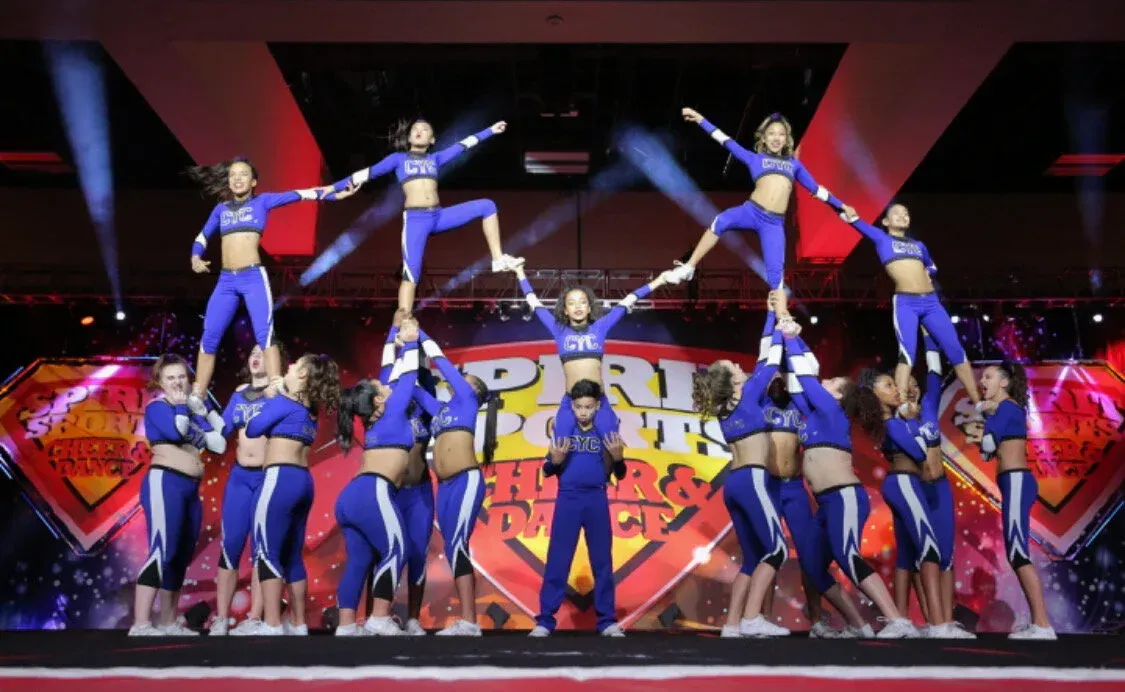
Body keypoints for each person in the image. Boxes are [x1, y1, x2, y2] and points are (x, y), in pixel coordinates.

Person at [780, 324, 918, 638]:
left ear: (840, 396)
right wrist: (794, 338)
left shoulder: (832, 410)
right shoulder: (813, 412)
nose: (824, 381)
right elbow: (800, 378)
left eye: (831, 382)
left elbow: (805, 378)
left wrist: (791, 337)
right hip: (825, 505)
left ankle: (898, 620)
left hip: (844, 496)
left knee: (846, 555)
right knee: (813, 567)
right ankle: (859, 626)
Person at [186, 158, 355, 406]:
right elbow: (202, 236)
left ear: (253, 182)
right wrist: (195, 256)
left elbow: (301, 194)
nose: (237, 178)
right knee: (209, 336)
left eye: (243, 174)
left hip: (252, 277)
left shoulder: (262, 202)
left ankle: (276, 385)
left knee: (265, 334)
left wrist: (333, 192)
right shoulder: (221, 209)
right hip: (226, 281)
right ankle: (197, 396)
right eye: (233, 175)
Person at [667, 109, 856, 326]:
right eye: (772, 134)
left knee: (776, 274)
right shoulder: (755, 158)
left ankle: (784, 316)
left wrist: (842, 206)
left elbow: (817, 190)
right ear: (764, 139)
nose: (776, 138)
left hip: (774, 223)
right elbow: (725, 140)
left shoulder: (794, 165)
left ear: (787, 139)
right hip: (751, 210)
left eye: (781, 134)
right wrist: (701, 120)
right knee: (721, 221)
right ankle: (688, 267)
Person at [324, 119, 524, 315]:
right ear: (410, 137)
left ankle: (497, 259)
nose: (419, 131)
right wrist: (332, 189)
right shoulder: (398, 159)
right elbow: (364, 174)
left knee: (487, 206)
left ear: (432, 140)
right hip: (416, 221)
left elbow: (463, 145)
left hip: (439, 215)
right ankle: (401, 328)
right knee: (411, 277)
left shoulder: (435, 159)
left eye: (425, 129)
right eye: (415, 130)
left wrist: (490, 130)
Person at [692, 311, 791, 637]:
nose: (740, 366)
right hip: (752, 479)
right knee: (777, 551)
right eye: (734, 367)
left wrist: (770, 315)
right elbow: (771, 357)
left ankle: (731, 624)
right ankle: (751, 618)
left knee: (752, 559)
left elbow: (763, 356)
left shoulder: (727, 408)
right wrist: (779, 322)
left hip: (734, 483)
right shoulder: (747, 396)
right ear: (733, 381)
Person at [840, 204, 982, 418]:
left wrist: (928, 270)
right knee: (907, 354)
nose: (903, 216)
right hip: (906, 303)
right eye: (896, 213)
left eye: (906, 213)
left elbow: (932, 266)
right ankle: (902, 405)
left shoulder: (919, 245)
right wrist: (840, 207)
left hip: (932, 303)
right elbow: (854, 220)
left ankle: (979, 405)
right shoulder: (882, 238)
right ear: (886, 222)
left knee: (957, 352)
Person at [763, 373, 873, 638]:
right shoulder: (759, 403)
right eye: (773, 377)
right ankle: (760, 619)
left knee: (809, 555)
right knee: (766, 553)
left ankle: (817, 621)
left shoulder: (804, 408)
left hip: (794, 487)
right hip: (768, 486)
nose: (778, 381)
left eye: (783, 376)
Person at [409, 326, 502, 636]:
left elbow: (446, 368)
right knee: (451, 549)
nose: (462, 380)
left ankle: (470, 621)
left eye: (468, 379)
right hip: (444, 487)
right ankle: (467, 620)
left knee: (458, 546)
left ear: (474, 390)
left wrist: (420, 333)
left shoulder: (466, 400)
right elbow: (415, 391)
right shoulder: (442, 411)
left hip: (464, 481)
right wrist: (407, 351)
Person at [333, 320, 422, 636]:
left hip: (351, 498)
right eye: (382, 387)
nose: (388, 385)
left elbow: (390, 374)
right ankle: (379, 617)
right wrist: (410, 342)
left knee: (359, 561)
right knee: (397, 550)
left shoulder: (376, 419)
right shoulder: (394, 410)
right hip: (374, 492)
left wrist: (392, 332)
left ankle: (345, 625)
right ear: (380, 401)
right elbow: (408, 377)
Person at [512, 264, 670, 438]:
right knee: (559, 447)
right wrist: (520, 271)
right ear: (565, 310)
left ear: (589, 308)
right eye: (571, 303)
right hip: (571, 400)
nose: (577, 306)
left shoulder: (600, 328)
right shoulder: (559, 330)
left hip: (599, 401)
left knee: (612, 445)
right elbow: (534, 301)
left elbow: (628, 300)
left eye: (583, 302)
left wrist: (659, 281)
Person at [131, 355, 226, 636]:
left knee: (180, 555)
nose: (177, 382)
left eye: (181, 377)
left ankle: (169, 622)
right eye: (170, 378)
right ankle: (140, 623)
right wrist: (186, 406)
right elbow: (177, 431)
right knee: (162, 550)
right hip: (165, 483)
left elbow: (219, 443)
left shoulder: (192, 409)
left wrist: (205, 411)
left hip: (189, 489)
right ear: (160, 382)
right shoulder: (158, 407)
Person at [247, 353, 341, 635]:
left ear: (302, 376)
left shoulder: (284, 403)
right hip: (302, 482)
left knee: (266, 552)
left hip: (279, 478)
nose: (288, 366)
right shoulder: (309, 409)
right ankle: (299, 623)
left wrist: (273, 395)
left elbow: (253, 428)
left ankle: (272, 623)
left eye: (295, 365)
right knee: (292, 556)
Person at [855, 368, 954, 636]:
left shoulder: (894, 422)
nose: (896, 389)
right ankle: (939, 624)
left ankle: (902, 623)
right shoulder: (893, 424)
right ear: (874, 397)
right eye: (889, 385)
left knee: (908, 556)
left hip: (903, 484)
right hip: (904, 484)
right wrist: (915, 425)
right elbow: (919, 452)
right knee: (930, 549)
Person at [965, 362, 1057, 640]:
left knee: (1018, 552)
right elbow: (987, 454)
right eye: (982, 378)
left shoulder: (1006, 408)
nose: (983, 382)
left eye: (989, 377)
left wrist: (984, 415)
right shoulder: (1003, 410)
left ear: (1004, 383)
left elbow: (989, 446)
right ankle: (1039, 623)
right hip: (1012, 481)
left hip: (1017, 481)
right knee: (1015, 552)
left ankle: (1042, 625)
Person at [529, 380, 627, 638]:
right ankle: (545, 621)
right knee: (558, 561)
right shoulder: (564, 430)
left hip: (596, 499)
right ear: (571, 407)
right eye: (578, 407)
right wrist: (554, 462)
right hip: (568, 499)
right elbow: (548, 470)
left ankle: (606, 621)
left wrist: (618, 459)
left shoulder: (605, 432)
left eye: (588, 407)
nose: (583, 412)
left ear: (596, 407)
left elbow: (621, 474)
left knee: (602, 562)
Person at [211, 344, 288, 636]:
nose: (255, 357)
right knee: (230, 546)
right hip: (240, 478)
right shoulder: (240, 392)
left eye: (263, 353)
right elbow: (223, 429)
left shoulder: (281, 392)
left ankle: (255, 617)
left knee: (261, 550)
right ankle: (221, 618)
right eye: (252, 352)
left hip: (268, 477)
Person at [900, 331, 972, 637]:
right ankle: (933, 621)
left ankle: (946, 619)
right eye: (907, 387)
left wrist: (929, 338)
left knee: (946, 555)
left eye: (915, 387)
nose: (913, 390)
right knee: (921, 555)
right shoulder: (895, 420)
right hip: (915, 491)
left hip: (940, 489)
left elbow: (933, 372)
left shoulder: (929, 407)